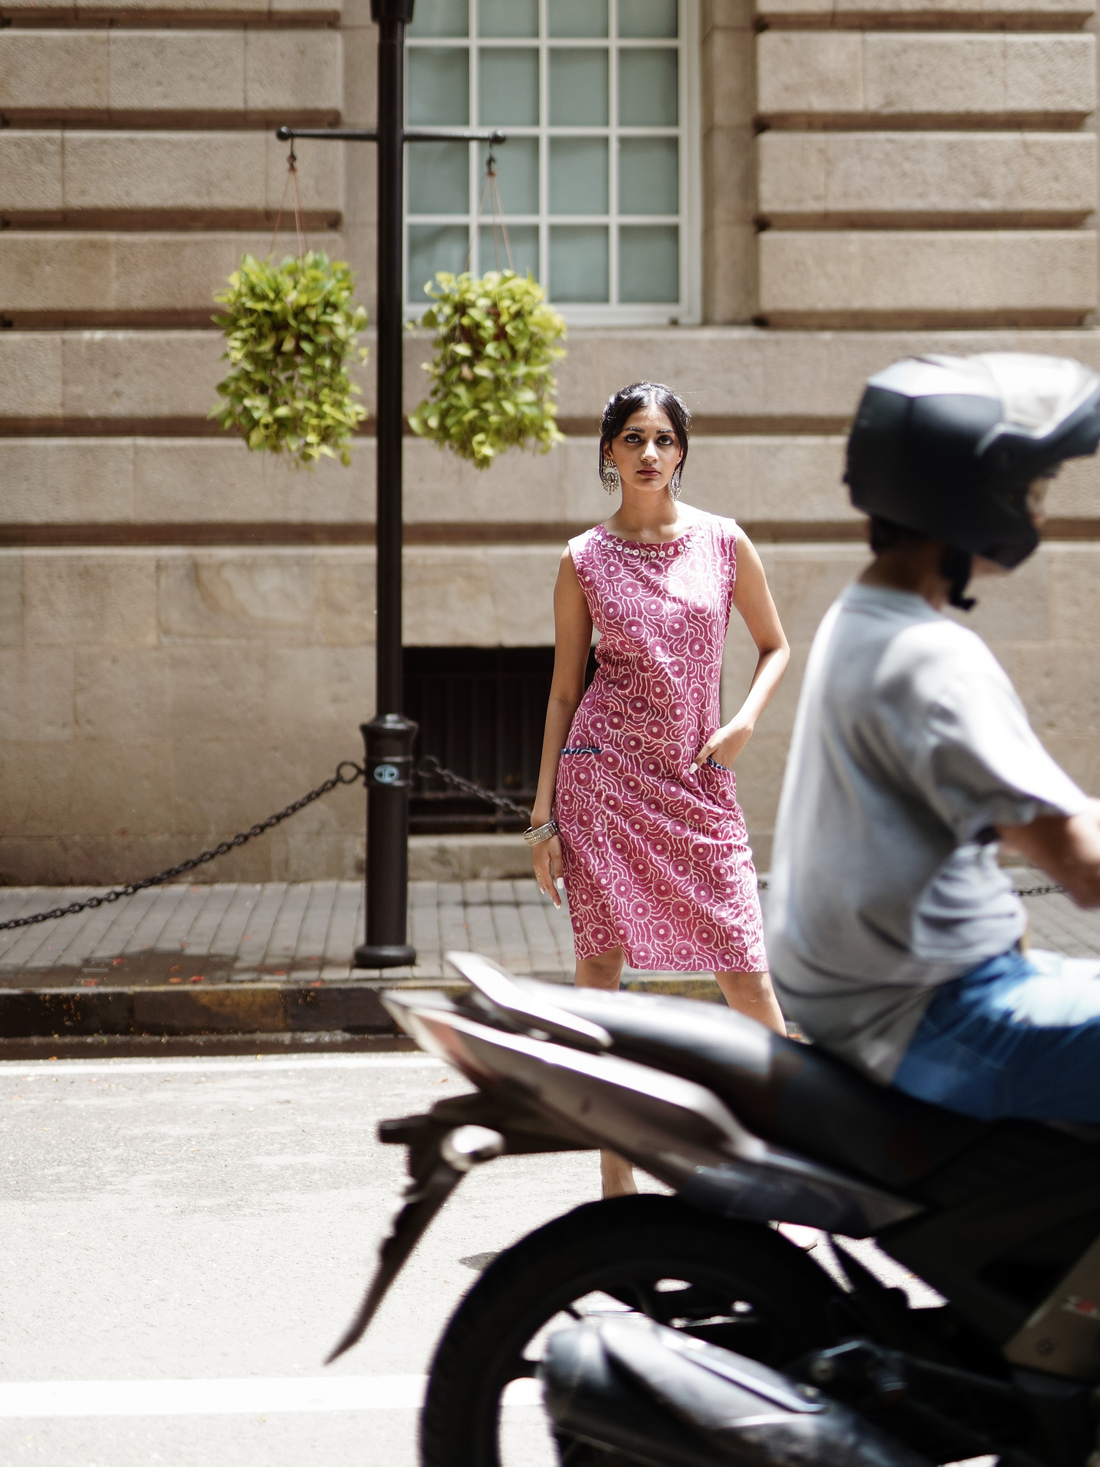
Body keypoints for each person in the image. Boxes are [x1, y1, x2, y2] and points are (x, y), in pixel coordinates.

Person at [767, 351, 1100, 1122]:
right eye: (1030, 488)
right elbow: (1080, 865)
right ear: (972, 492)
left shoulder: (862, 614)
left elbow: (1027, 812)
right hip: (937, 1010)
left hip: (880, 994)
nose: (1038, 509)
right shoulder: (931, 660)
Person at [527, 381, 791, 1195]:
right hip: (601, 784)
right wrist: (543, 816)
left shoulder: (722, 542)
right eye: (633, 438)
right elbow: (565, 690)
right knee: (601, 975)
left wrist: (743, 720)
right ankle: (617, 1183)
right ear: (608, 452)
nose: (649, 453)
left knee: (747, 975)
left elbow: (775, 645)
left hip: (698, 784)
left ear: (682, 451)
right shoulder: (583, 558)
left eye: (664, 439)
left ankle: (791, 1158)